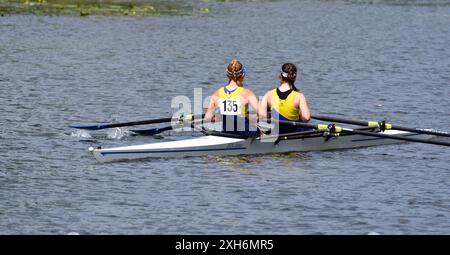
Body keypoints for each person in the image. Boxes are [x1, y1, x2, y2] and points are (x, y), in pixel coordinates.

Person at [204, 59, 260, 137]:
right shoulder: (247, 93)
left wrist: (220, 117)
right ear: (243, 75)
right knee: (261, 130)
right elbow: (262, 114)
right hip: (245, 133)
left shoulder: (217, 93)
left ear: (228, 75)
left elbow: (207, 118)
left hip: (227, 133)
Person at [259, 63, 311, 134]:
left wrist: (270, 114)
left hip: (276, 131)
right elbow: (306, 118)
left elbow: (261, 117)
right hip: (293, 132)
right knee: (307, 127)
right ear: (294, 78)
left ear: (280, 76)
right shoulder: (299, 96)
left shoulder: (268, 95)